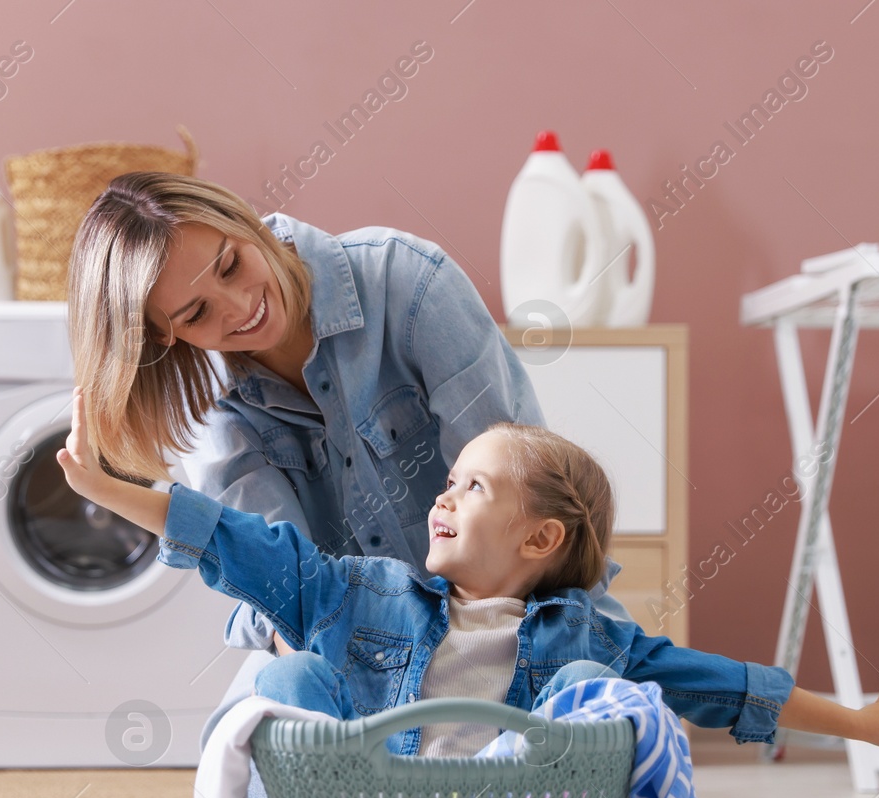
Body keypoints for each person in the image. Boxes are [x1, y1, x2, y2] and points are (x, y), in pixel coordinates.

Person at [56, 388, 879, 798]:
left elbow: (720, 687)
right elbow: (245, 546)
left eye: (471, 485)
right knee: (283, 671)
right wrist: (119, 489)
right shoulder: (370, 597)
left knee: (601, 683)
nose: (442, 497)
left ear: (540, 539)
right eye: (448, 480)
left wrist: (862, 719)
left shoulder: (587, 637)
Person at [64, 172, 638, 746]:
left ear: (241, 221)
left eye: (232, 265)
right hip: (358, 647)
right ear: (164, 336)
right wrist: (355, 727)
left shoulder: (409, 285)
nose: (239, 308)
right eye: (195, 314)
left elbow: (520, 506)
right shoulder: (210, 410)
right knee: (256, 727)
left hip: (511, 619)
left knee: (584, 710)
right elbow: (281, 585)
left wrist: (484, 678)